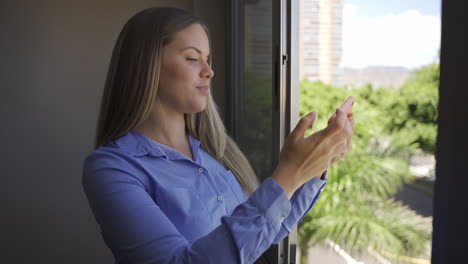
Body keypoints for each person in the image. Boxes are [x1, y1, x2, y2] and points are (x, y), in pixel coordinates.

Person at [82, 6, 354, 264]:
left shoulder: (216, 152)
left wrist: (317, 164)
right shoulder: (112, 169)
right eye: (192, 58)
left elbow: (267, 230)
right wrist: (288, 174)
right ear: (146, 65)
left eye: (208, 59)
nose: (209, 71)